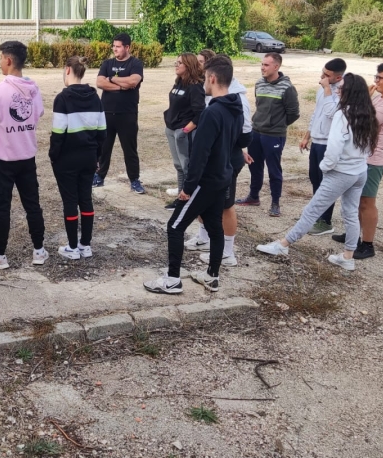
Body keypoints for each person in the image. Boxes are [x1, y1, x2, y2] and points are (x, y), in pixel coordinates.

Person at [256, 73, 379, 271]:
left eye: (342, 87)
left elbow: (335, 147)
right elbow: (367, 148)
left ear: (350, 92)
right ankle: (348, 256)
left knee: (312, 210)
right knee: (349, 213)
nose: (338, 89)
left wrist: (325, 167)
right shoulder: (368, 114)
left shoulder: (343, 114)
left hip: (341, 172)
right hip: (359, 172)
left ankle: (283, 244)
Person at [144, 55, 243, 295]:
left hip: (205, 182)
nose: (202, 84)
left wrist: (187, 188)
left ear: (212, 78)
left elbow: (200, 154)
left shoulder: (212, 113)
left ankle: (172, 280)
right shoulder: (236, 107)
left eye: (204, 79)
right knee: (214, 227)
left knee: (175, 227)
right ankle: (212, 276)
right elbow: (237, 142)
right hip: (222, 178)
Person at [0, 40, 48, 268]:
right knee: (32, 205)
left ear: (8, 60)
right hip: (27, 157)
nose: (0, 62)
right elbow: (37, 115)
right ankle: (39, 250)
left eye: (0, 58)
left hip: (3, 159)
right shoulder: (34, 89)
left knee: (2, 208)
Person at [332, 62, 383, 259]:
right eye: (375, 76)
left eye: (379, 78)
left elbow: (363, 120)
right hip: (366, 156)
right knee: (356, 200)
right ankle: (353, 236)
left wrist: (364, 99)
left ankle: (367, 244)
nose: (375, 81)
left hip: (375, 159)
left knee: (366, 202)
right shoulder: (381, 99)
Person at [187, 52, 253, 266]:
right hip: (216, 160)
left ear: (215, 75)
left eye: (204, 69)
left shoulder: (238, 98)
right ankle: (205, 238)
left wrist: (226, 143)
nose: (202, 74)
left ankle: (228, 252)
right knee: (208, 203)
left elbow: (245, 134)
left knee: (226, 205)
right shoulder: (216, 95)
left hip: (227, 161)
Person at [49, 56, 106, 260]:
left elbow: (58, 133)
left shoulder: (62, 99)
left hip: (67, 158)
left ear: (67, 71)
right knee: (86, 199)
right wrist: (97, 156)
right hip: (89, 156)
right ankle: (85, 245)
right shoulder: (95, 97)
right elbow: (102, 131)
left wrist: (53, 156)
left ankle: (72, 247)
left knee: (70, 201)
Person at [237, 52, 300, 217]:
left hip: (274, 135)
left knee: (274, 169)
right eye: (262, 64)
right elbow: (259, 106)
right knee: (254, 166)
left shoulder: (287, 88)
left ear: (276, 66)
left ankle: (275, 203)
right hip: (256, 132)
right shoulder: (259, 83)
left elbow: (293, 113)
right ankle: (253, 196)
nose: (262, 68)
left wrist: (277, 125)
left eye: (266, 65)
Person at [298, 58, 346, 236]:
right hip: (317, 141)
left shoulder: (343, 91)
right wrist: (307, 136)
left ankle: (325, 221)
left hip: (329, 143)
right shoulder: (323, 89)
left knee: (327, 183)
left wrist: (327, 89)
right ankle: (315, 215)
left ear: (338, 77)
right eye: (322, 73)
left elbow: (330, 113)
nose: (322, 78)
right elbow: (317, 113)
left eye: (327, 75)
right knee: (315, 179)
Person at [93, 33, 145, 194]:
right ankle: (99, 176)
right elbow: (100, 83)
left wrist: (112, 79)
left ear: (127, 47)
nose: (114, 49)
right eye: (113, 46)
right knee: (103, 148)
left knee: (130, 149)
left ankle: (134, 180)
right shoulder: (107, 63)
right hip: (107, 113)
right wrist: (122, 85)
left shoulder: (135, 63)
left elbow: (133, 81)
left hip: (127, 114)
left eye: (118, 46)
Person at [163, 53, 205, 209]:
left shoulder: (195, 86)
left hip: (183, 132)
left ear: (188, 66)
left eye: (179, 63)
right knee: (178, 165)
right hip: (172, 129)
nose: (176, 65)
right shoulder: (179, 82)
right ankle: (181, 197)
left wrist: (186, 129)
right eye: (176, 62)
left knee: (187, 166)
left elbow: (200, 112)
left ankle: (190, 200)